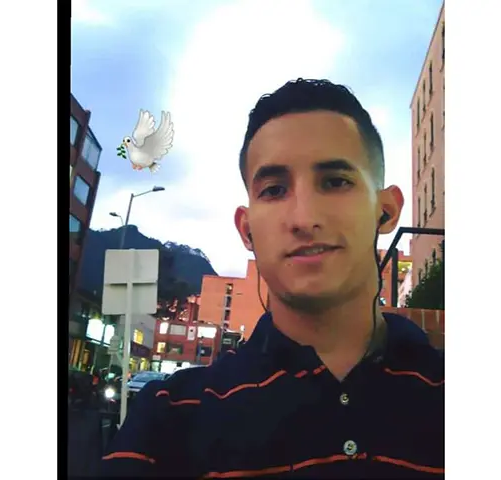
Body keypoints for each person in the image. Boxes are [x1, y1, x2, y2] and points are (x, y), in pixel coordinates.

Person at [101, 79, 444, 478]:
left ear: (386, 210)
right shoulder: (167, 421)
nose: (304, 218)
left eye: (336, 182)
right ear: (246, 230)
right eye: (274, 189)